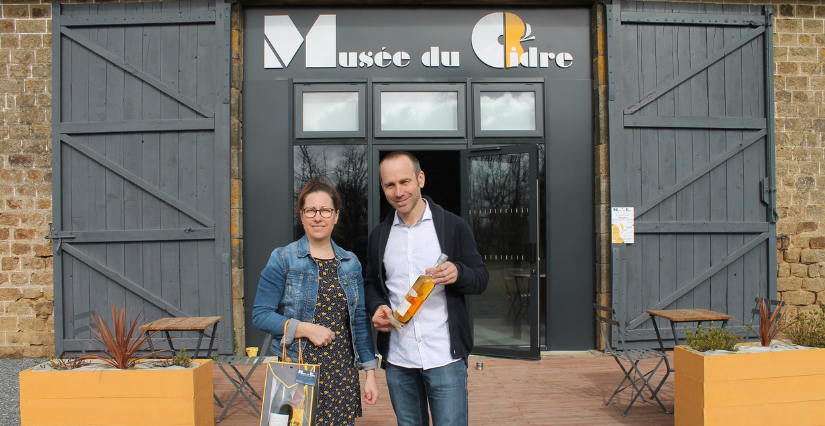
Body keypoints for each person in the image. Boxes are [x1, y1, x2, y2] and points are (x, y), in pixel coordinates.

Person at [364, 151, 489, 426]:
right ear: (383, 187)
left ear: (420, 179)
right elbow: (372, 283)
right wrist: (376, 307)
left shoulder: (453, 227)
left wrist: (459, 273)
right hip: (398, 359)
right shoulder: (379, 236)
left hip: (444, 355)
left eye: (405, 181)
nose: (398, 192)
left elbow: (481, 278)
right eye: (390, 185)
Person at [252, 180, 379, 426]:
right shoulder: (283, 259)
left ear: (336, 215)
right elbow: (260, 314)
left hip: (342, 373)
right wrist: (306, 328)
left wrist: (370, 374)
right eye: (310, 210)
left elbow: (360, 321)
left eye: (325, 211)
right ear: (302, 216)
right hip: (298, 371)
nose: (318, 217)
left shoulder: (351, 262)